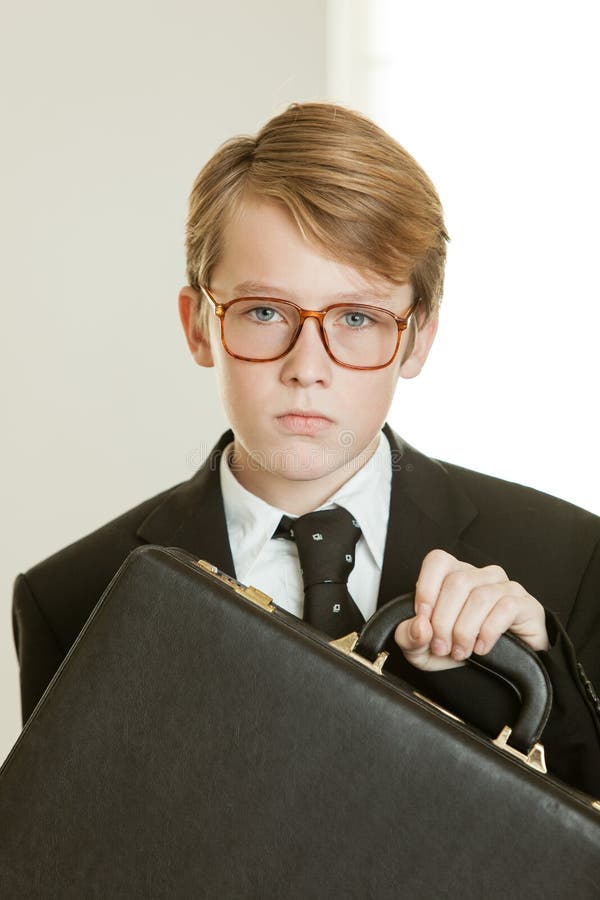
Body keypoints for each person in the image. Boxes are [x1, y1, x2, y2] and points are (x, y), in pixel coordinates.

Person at [12, 102, 600, 795]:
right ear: (198, 326)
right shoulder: (73, 597)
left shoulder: (570, 559)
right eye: (265, 312)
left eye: (357, 317)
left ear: (417, 339)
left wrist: (547, 682)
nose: (307, 366)